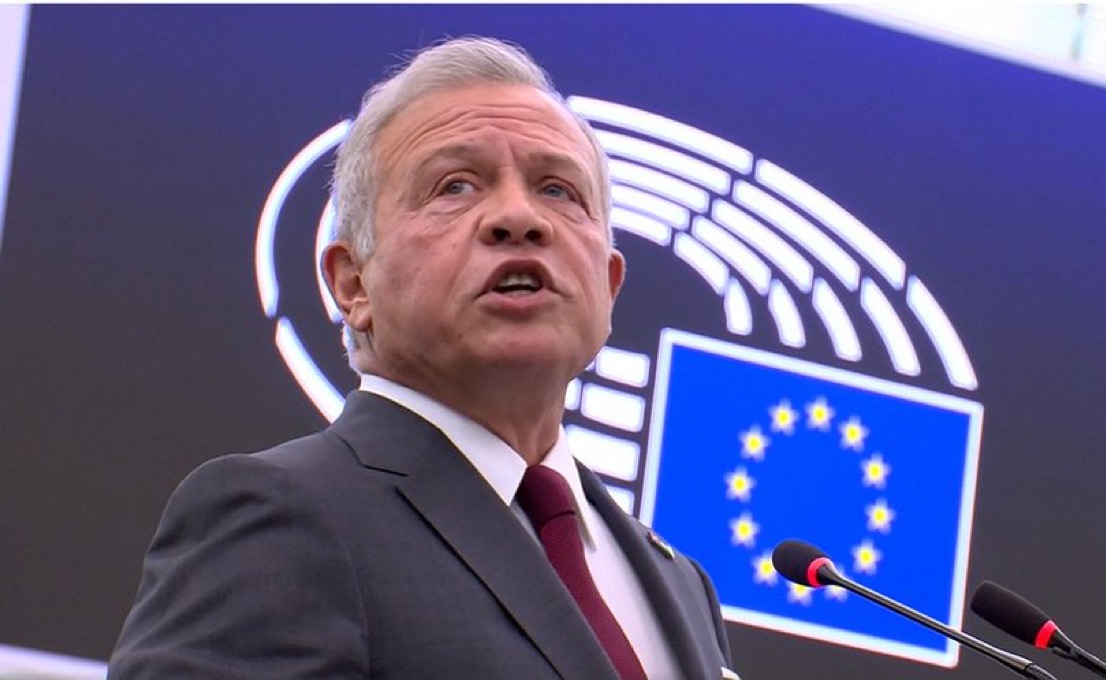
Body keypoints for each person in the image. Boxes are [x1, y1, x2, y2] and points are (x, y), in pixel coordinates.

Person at [109, 36, 736, 680]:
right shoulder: (281, 514)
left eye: (558, 190)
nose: (519, 218)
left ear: (609, 285)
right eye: (455, 185)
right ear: (353, 284)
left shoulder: (679, 584)